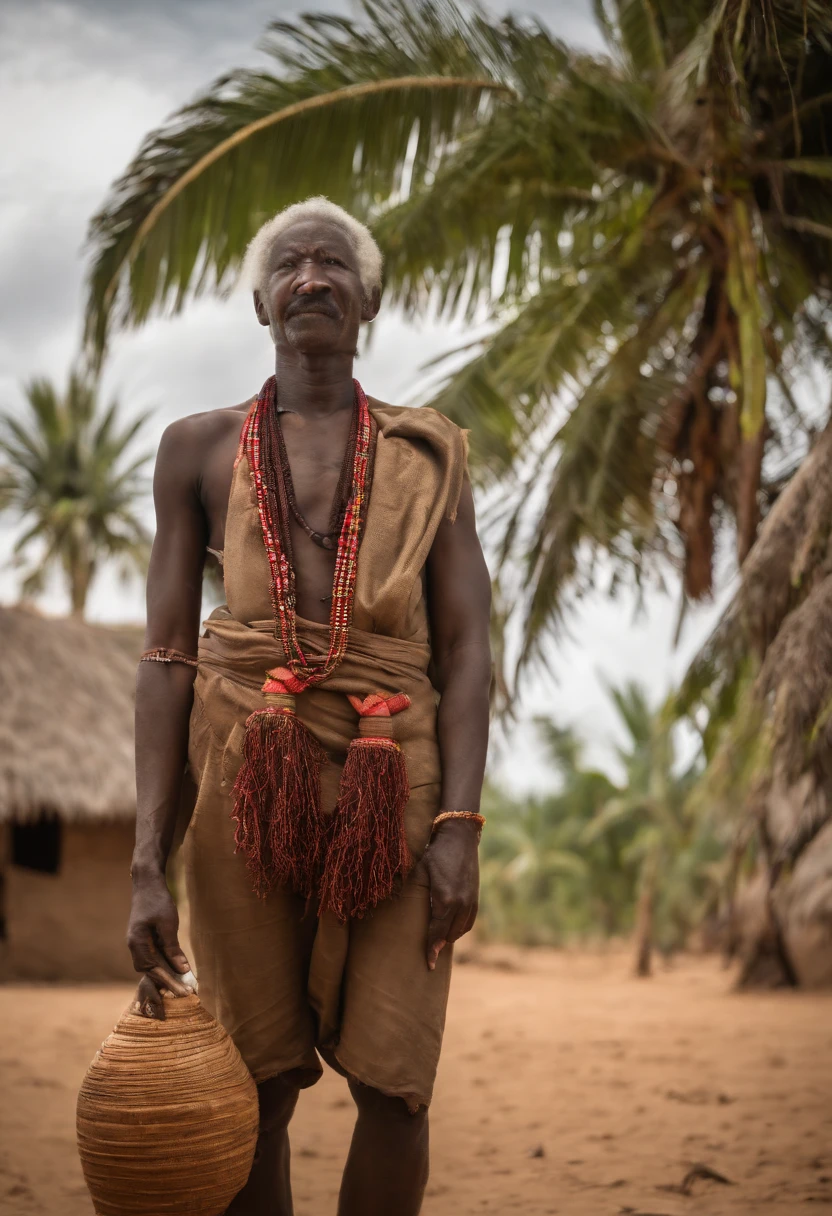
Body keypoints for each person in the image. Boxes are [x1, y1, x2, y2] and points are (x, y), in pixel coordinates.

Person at [127, 196, 492, 1216]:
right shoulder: (194, 450)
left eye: (334, 264)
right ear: (259, 301)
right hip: (247, 775)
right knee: (254, 1080)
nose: (312, 278)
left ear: (366, 300)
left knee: (395, 1080)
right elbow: (164, 656)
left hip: (399, 781)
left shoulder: (430, 456)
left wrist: (459, 825)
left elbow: (467, 651)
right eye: (289, 265)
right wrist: (147, 859)